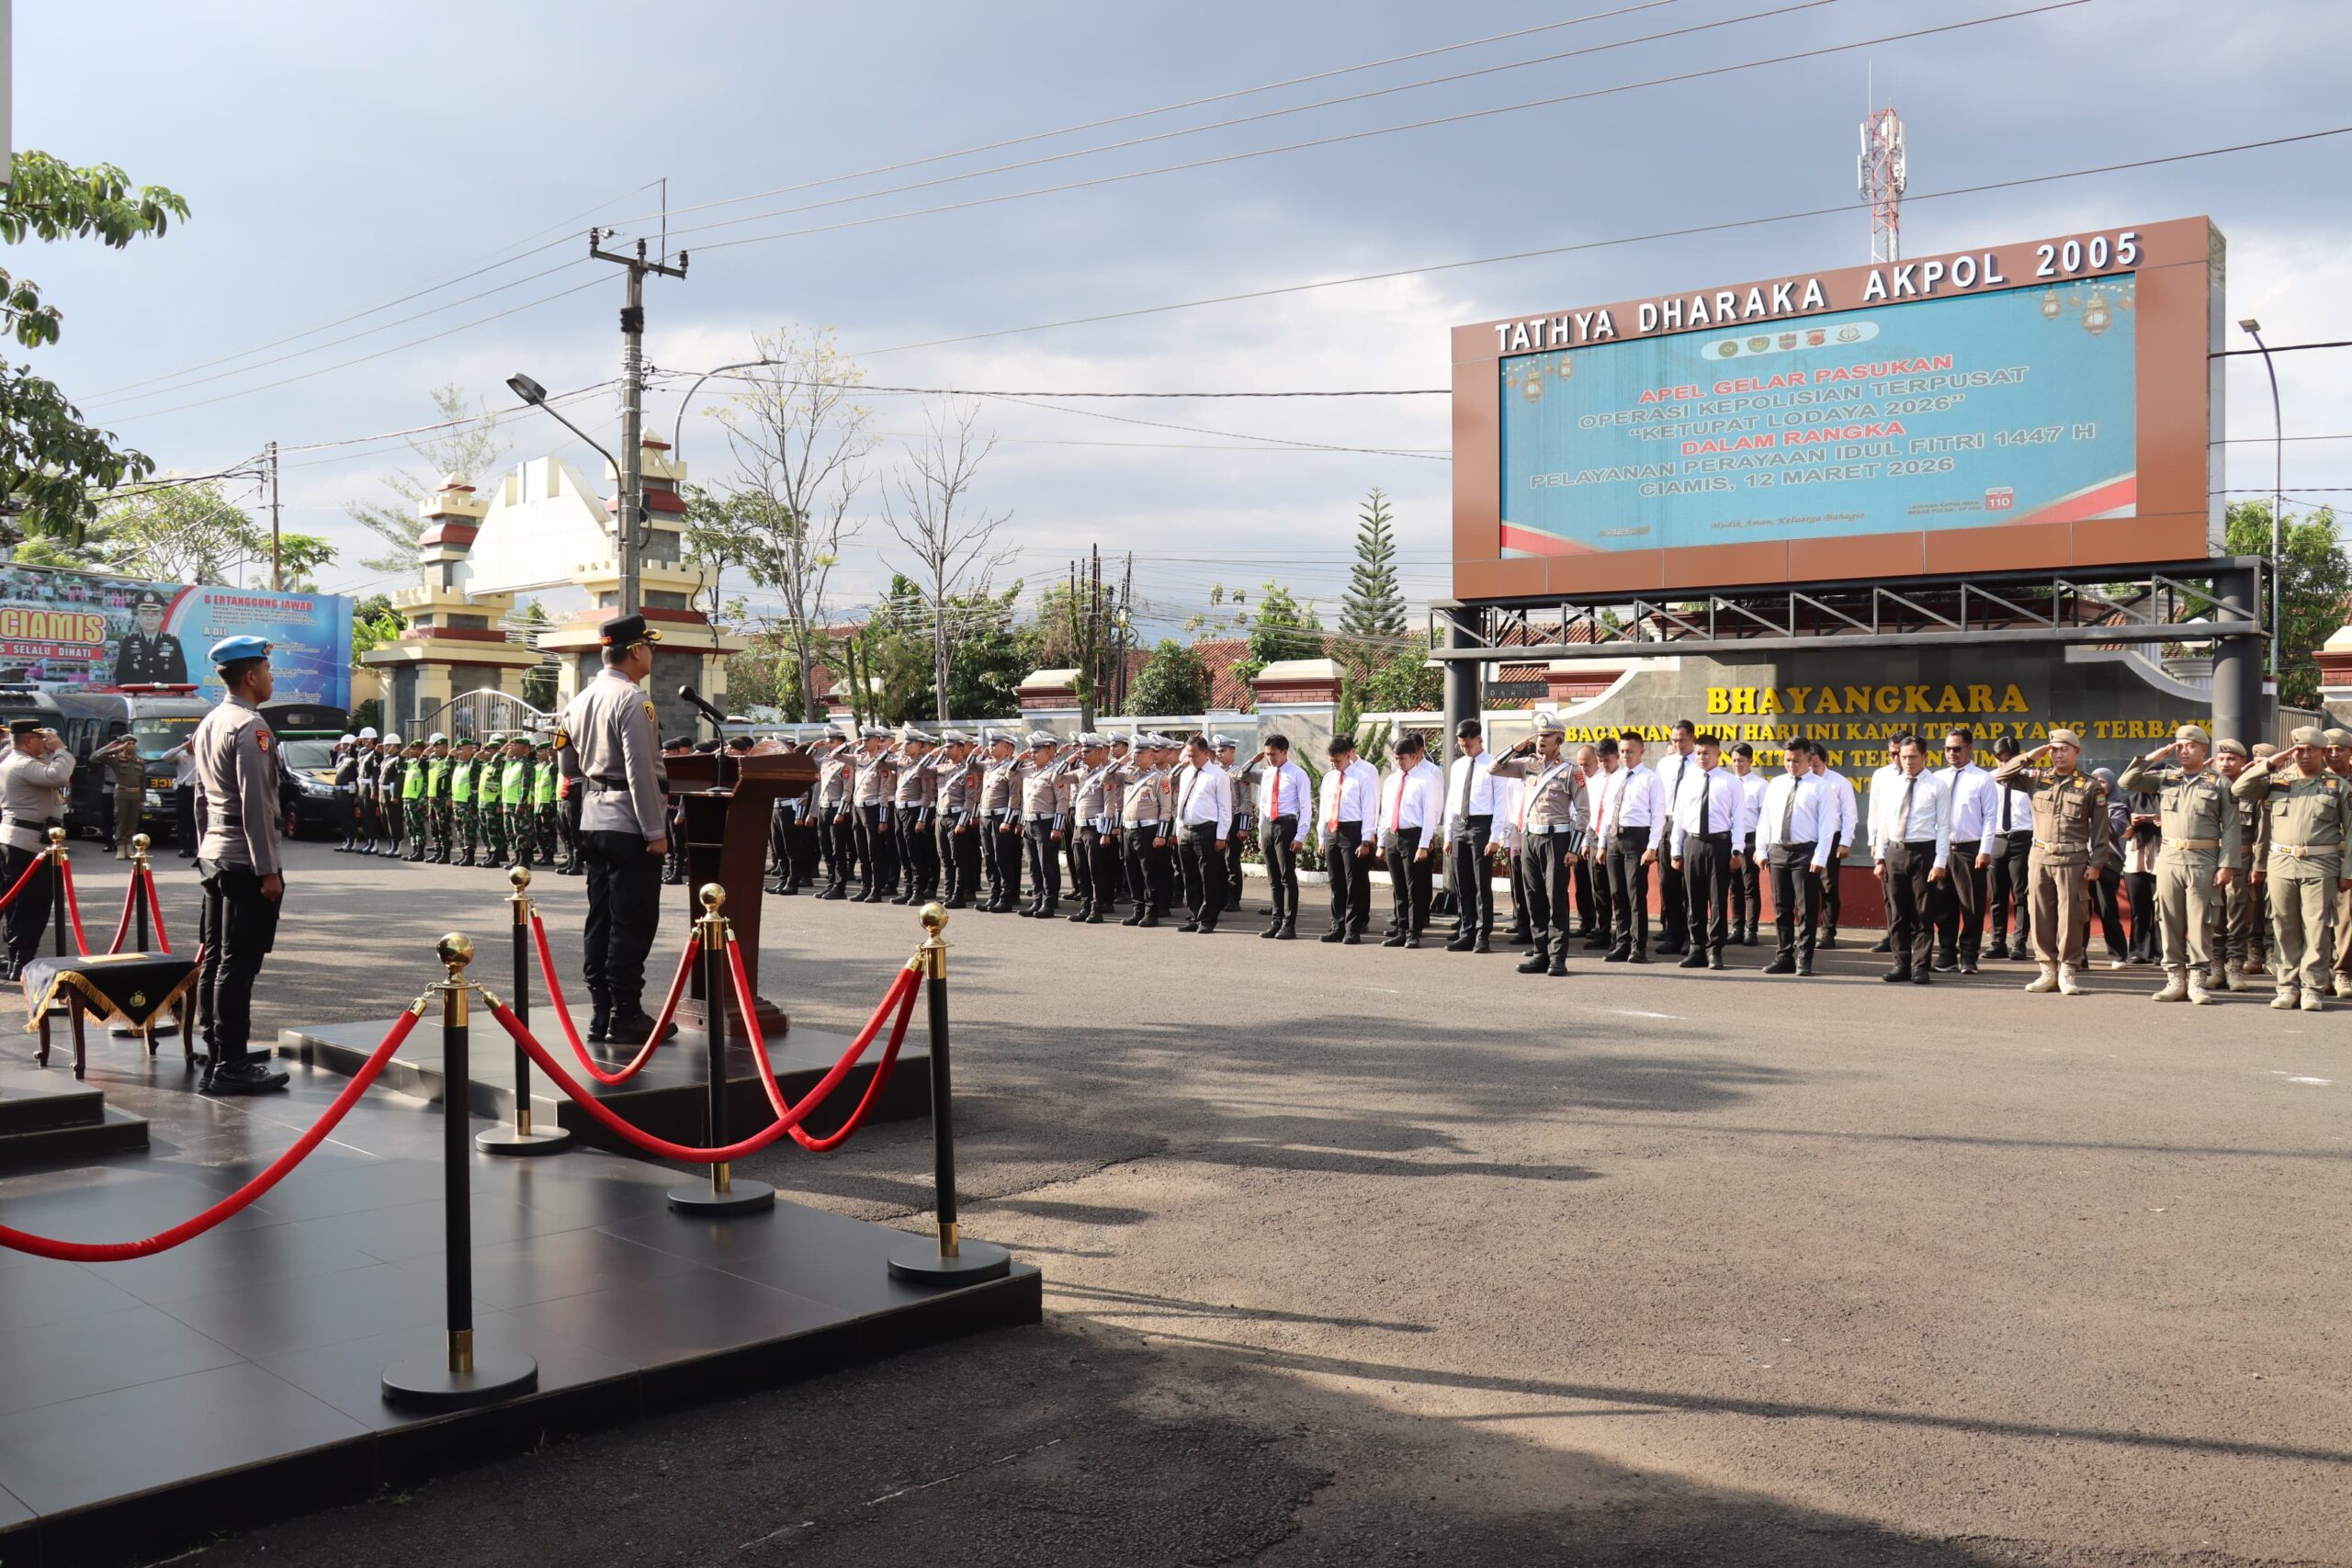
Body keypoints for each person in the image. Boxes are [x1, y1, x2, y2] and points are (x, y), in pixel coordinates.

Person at [555, 615, 674, 1047]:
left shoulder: (580, 699)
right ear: (637, 649)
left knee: (600, 918)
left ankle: (600, 1012)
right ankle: (627, 1014)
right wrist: (654, 831)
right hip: (629, 823)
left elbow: (567, 767)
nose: (652, 654)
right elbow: (641, 770)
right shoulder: (633, 699)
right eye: (650, 647)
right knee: (633, 920)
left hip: (593, 817)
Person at [188, 635, 290, 1095]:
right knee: (238, 963)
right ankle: (231, 1064)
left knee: (216, 958)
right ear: (250, 676)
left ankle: (219, 1049)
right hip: (246, 859)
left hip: (216, 853)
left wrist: (203, 847)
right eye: (268, 671)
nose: (271, 678)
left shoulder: (212, 720)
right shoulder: (250, 726)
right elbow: (256, 804)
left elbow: (198, 797)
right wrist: (267, 869)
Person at [2232, 726, 2352, 1012]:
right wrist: (2272, 762)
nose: (2304, 754)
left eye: (2311, 749)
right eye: (2299, 749)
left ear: (2323, 753)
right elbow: (2239, 788)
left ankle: (2312, 987)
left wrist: (2347, 871)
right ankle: (2287, 986)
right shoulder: (2279, 780)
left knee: (2317, 929)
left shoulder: (2338, 786)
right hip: (2281, 864)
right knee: (2284, 927)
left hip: (2320, 864)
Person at [2119, 724, 2239, 1005]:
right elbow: (2127, 782)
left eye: (2190, 746)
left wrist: (2227, 865)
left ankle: (2197, 981)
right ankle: (2174, 979)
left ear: (2203, 750)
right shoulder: (2166, 778)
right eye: (2179, 746)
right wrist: (2158, 755)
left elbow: (2231, 827)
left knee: (2201, 921)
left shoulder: (2219, 783)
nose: (2184, 751)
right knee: (2168, 918)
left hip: (2203, 859)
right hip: (2169, 858)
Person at [1992, 729, 2109, 997]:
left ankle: (2068, 970)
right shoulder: (2038, 778)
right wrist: (2032, 756)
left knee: (2072, 917)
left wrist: (2098, 862)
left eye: (2064, 748)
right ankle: (2047, 969)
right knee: (2040, 913)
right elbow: (2001, 775)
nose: (2058, 753)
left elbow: (2101, 830)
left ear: (2077, 752)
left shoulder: (2091, 786)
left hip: (2074, 858)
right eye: (2054, 749)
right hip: (2040, 857)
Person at [1487, 715, 1586, 976]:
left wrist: (1573, 849)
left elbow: (1583, 814)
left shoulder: (1570, 771)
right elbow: (1493, 768)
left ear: (1559, 740)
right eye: (1539, 735)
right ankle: (1540, 953)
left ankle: (1557, 958)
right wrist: (1516, 747)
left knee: (1556, 900)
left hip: (1557, 839)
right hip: (1530, 837)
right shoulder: (1526, 765)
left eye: (1547, 736)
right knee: (1534, 898)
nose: (1541, 740)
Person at [1870, 733, 1952, 986]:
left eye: (1913, 757)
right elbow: (1883, 822)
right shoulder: (1890, 784)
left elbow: (1943, 827)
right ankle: (1900, 963)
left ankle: (1920, 966)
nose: (1907, 761)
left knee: (1923, 912)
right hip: (1894, 852)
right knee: (1897, 912)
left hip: (1923, 852)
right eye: (1903, 756)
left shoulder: (1937, 786)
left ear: (1925, 756)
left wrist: (1940, 862)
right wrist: (1880, 857)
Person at [0, 718, 71, 981]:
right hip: (29, 843)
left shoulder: (17, 761)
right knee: (33, 903)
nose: (45, 742)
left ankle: (18, 958)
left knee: (18, 903)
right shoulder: (22, 763)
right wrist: (61, 750)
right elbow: (59, 775)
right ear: (28, 740)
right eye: (40, 738)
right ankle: (22, 960)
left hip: (21, 838)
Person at [1755, 736, 1832, 976]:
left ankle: (1804, 957)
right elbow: (1765, 819)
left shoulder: (1821, 787)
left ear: (1809, 758)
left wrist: (1820, 857)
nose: (1792, 765)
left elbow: (1827, 826)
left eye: (1797, 760)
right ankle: (1783, 955)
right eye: (1788, 760)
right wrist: (1761, 849)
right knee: (1781, 907)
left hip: (1805, 853)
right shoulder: (1776, 784)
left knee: (1806, 908)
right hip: (1778, 851)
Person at [1668, 732, 1744, 972]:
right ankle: (1696, 948)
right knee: (1693, 899)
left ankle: (1715, 951)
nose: (1701, 757)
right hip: (1692, 844)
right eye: (1698, 753)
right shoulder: (1687, 781)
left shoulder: (1730, 782)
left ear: (1718, 754)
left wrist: (1737, 850)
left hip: (1719, 845)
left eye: (1706, 753)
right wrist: (1676, 851)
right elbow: (1679, 819)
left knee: (1718, 900)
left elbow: (1739, 819)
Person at [1931, 727, 1995, 974]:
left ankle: (1969, 956)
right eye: (1947, 749)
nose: (1951, 753)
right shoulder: (1938, 778)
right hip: (1942, 849)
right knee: (1942, 904)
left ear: (1969, 748)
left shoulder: (1982, 779)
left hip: (1970, 849)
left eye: (1957, 749)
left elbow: (1990, 817)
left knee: (1971, 905)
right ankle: (1947, 953)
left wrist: (1985, 849)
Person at [1375, 732, 1442, 948]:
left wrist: (1424, 844)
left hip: (1414, 836)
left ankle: (1414, 931)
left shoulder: (1426, 779)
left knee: (1414, 888)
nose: (1399, 763)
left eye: (1402, 758)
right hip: (1394, 836)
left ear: (1414, 756)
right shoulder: (1392, 780)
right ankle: (1402, 929)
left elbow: (1429, 815)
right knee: (1399, 888)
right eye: (1396, 758)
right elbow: (1385, 813)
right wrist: (1381, 842)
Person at [1441, 719, 1499, 953]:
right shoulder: (1457, 766)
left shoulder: (1493, 765)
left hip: (1482, 825)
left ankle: (1483, 934)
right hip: (1459, 825)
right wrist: (1447, 835)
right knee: (1462, 883)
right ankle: (1466, 932)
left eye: (1469, 745)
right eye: (1462, 745)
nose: (1466, 749)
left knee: (1480, 884)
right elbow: (1452, 801)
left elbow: (1501, 802)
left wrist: (1496, 836)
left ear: (1479, 739)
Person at [1317, 733, 1381, 944]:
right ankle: (1338, 925)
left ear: (1348, 755)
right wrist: (1321, 837)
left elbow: (1369, 809)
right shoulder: (1329, 778)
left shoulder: (1362, 777)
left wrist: (1366, 840)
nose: (1335, 764)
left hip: (1353, 831)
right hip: (1331, 830)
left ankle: (1353, 928)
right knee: (1336, 881)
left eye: (1338, 760)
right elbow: (1324, 809)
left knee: (1354, 881)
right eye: (1332, 761)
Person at [1606, 731, 1664, 964]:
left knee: (1635, 895)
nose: (1626, 755)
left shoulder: (1651, 779)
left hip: (1637, 839)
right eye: (1622, 751)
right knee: (1617, 894)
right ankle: (1621, 943)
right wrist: (1602, 843)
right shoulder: (1615, 777)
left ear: (1642, 751)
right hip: (1613, 839)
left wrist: (1652, 847)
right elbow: (1607, 813)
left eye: (1630, 751)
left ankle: (1637, 947)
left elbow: (1658, 816)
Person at [1171, 733, 1234, 933]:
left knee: (1209, 876)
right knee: (1189, 876)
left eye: (1194, 755)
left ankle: (1208, 918)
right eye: (1188, 755)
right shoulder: (1186, 772)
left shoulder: (1218, 775)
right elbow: (1181, 802)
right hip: (1186, 830)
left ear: (1206, 753)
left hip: (1207, 830)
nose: (1191, 759)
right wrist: (1178, 829)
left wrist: (1221, 836)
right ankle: (1193, 915)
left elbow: (1225, 808)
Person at [1255, 734, 1311, 941]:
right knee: (1273, 878)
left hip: (1287, 825)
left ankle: (1289, 924)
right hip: (1269, 825)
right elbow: (1263, 804)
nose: (1270, 758)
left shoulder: (1297, 774)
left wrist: (1300, 835)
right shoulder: (1268, 774)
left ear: (1285, 752)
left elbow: (1306, 807)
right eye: (1268, 754)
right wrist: (1262, 831)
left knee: (1287, 877)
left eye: (1274, 754)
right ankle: (1276, 921)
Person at [1983, 735, 2034, 960]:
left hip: (2022, 840)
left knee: (2021, 894)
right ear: (1995, 759)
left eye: (2011, 760)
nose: (2006, 765)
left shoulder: (2028, 779)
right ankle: (1997, 942)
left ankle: (2020, 943)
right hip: (1996, 839)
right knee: (1997, 895)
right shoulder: (1989, 779)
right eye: (2002, 760)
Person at [1654, 720, 1700, 955]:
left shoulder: (1699, 763)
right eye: (1674, 740)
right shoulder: (1665, 764)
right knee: (1668, 883)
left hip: (1691, 826)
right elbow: (1657, 799)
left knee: (1689, 886)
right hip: (1667, 823)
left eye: (1682, 740)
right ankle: (1672, 933)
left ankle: (1691, 937)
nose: (1678, 744)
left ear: (1692, 738)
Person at [1114, 731, 1168, 927]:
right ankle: (1137, 910)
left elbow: (1166, 810)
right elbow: (1105, 778)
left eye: (1140, 752)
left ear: (1151, 755)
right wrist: (1123, 760)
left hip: (1148, 830)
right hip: (1128, 829)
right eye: (1134, 752)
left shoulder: (1160, 778)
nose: (1136, 755)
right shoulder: (1128, 774)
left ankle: (1151, 912)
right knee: (1132, 871)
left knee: (1149, 873)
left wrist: (1161, 834)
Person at [1811, 747, 1858, 948]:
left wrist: (1845, 842)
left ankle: (1828, 933)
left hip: (1832, 838)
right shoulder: (1803, 782)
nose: (1812, 769)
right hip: (1808, 838)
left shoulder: (1839, 782)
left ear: (1826, 761)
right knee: (1806, 888)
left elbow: (1849, 814)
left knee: (1828, 886)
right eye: (1809, 764)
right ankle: (1807, 933)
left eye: (1816, 765)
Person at [1864, 739, 1905, 955]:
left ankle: (1912, 937)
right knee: (1889, 893)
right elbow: (1875, 810)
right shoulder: (1882, 775)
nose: (1897, 758)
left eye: (1900, 753)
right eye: (1892, 753)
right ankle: (1892, 935)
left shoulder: (1923, 776)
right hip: (1886, 842)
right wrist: (1873, 840)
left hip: (1911, 844)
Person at [891, 729, 940, 906]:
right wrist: (889, 751)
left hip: (915, 811)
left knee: (915, 854)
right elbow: (879, 765)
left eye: (908, 743)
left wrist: (921, 818)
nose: (904, 746)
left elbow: (927, 794)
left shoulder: (923, 766)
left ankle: (918, 891)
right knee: (903, 852)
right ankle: (908, 889)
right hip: (899, 810)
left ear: (919, 746)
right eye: (905, 743)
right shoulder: (901, 762)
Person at [1725, 742, 1764, 946]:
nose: (1737, 764)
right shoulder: (1727, 783)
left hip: (1751, 840)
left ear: (1751, 760)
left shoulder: (1760, 785)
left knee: (1750, 887)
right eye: (1733, 760)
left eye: (1741, 760)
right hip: (1731, 841)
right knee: (1734, 888)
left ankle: (1751, 930)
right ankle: (1737, 928)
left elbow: (1765, 818)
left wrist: (1760, 846)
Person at [113, 589, 189, 684]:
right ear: (138, 617)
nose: (149, 618)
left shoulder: (172, 642)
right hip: (136, 697)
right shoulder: (128, 642)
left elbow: (181, 677)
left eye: (154, 614)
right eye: (145, 614)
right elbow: (121, 677)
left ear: (161, 618)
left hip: (165, 697)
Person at [92, 728, 144, 858]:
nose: (131, 746)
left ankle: (129, 847)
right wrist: (116, 748)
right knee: (121, 821)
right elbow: (99, 757)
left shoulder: (139, 761)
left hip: (135, 794)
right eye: (128, 743)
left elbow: (142, 781)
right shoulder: (116, 759)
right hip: (122, 793)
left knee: (132, 822)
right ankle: (120, 847)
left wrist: (143, 798)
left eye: (132, 744)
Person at [1219, 736, 1257, 914]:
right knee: (1218, 860)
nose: (1218, 754)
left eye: (1222, 750)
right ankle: (1221, 896)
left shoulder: (1239, 772)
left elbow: (1246, 801)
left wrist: (1243, 826)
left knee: (1231, 859)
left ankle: (1234, 899)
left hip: (1234, 820)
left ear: (1232, 752)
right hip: (1218, 820)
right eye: (1217, 751)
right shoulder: (1214, 771)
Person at [332, 732, 361, 852]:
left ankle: (352, 840)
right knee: (343, 816)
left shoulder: (355, 756)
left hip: (349, 790)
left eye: (346, 744)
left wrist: (357, 793)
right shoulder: (342, 757)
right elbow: (334, 766)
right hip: (340, 790)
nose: (343, 746)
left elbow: (358, 773)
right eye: (342, 744)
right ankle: (347, 840)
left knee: (349, 816)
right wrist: (334, 752)